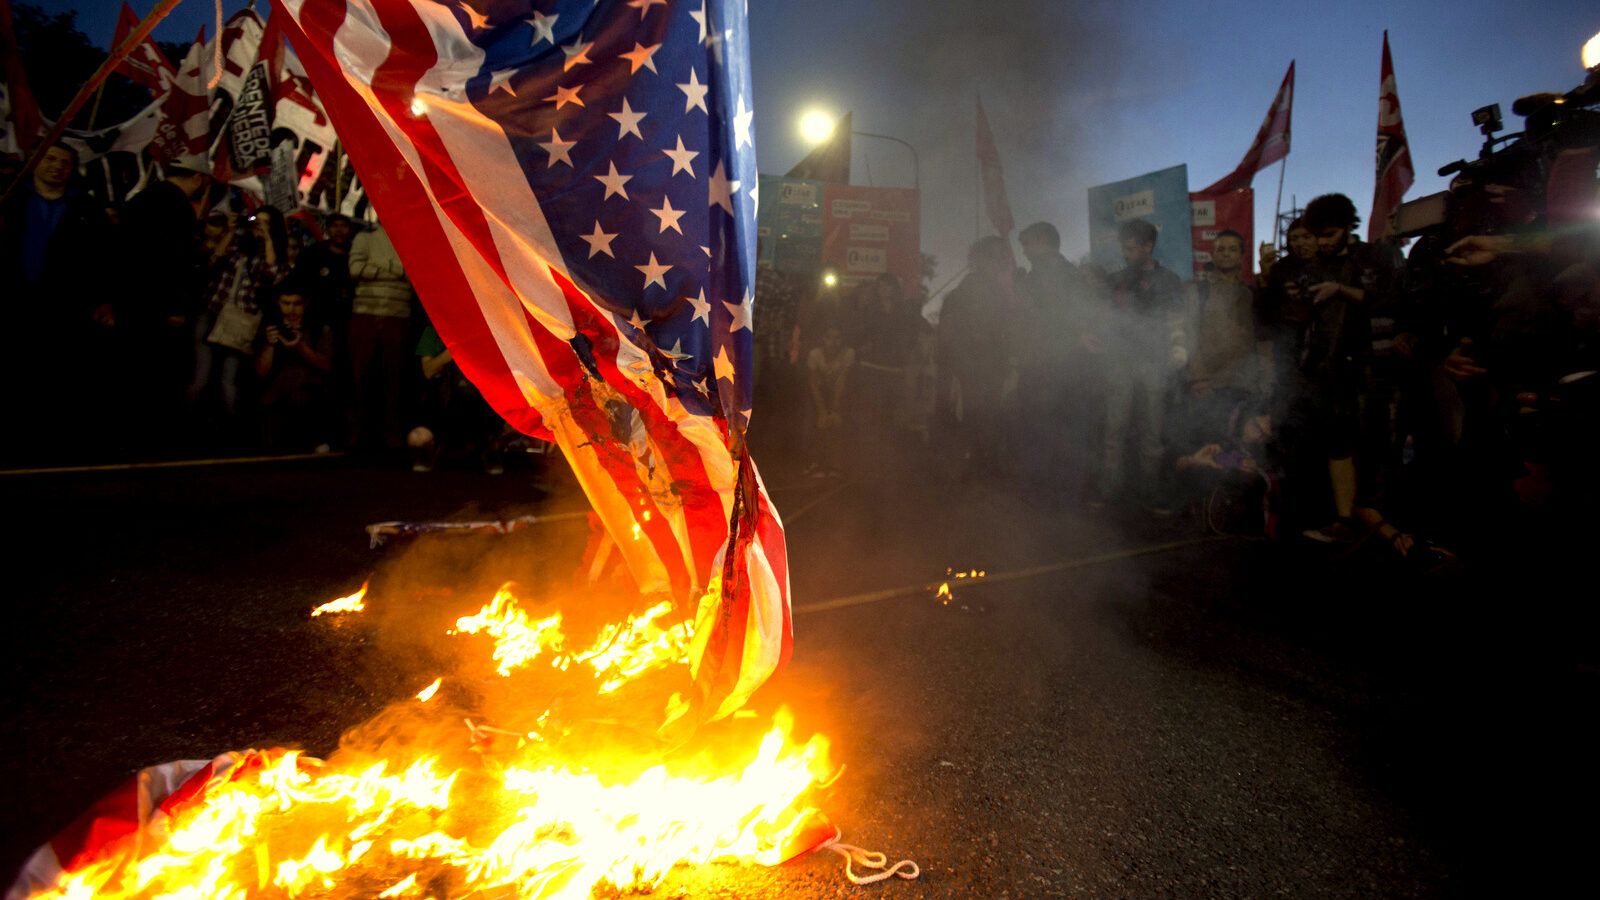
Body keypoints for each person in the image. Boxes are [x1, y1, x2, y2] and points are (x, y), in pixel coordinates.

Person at [1291, 193, 1402, 543]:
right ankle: (1345, 519)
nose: (1322, 242)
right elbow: (1303, 321)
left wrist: (1341, 290)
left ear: (1348, 227)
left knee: (1376, 441)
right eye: (1317, 235)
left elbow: (1394, 300)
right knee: (1337, 443)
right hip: (1327, 368)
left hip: (1375, 365)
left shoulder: (1376, 257)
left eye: (1330, 234)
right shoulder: (1311, 268)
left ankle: (1383, 520)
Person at [0, 142, 115, 459]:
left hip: (65, 314)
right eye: (49, 158)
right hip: (13, 309)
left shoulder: (86, 209)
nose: (56, 166)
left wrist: (103, 300)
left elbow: (104, 259)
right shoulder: (10, 200)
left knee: (58, 385)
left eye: (64, 161)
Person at [1096, 218, 1185, 510]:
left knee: (1152, 431)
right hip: (1120, 364)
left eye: (1131, 248)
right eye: (1123, 247)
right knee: (1114, 430)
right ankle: (1109, 492)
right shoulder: (1115, 279)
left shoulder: (1168, 279)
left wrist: (1179, 347)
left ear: (1148, 246)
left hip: (1154, 364)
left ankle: (1152, 492)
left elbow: (1176, 318)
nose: (1125, 253)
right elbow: (1105, 318)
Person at [185, 207, 288, 446]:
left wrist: (268, 238)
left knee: (227, 381)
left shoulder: (270, 254)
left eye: (265, 223)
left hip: (239, 322)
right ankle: (185, 427)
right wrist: (231, 232)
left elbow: (274, 274)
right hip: (211, 312)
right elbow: (212, 260)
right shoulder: (237, 244)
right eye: (256, 222)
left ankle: (229, 438)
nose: (257, 226)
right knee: (200, 377)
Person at [1016, 221, 1096, 505]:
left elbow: (1046, 320)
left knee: (1047, 430)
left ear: (1044, 242)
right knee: (1061, 431)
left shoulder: (1051, 275)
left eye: (1027, 244)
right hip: (1058, 366)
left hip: (1054, 367)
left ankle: (1047, 499)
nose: (1024, 251)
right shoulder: (1059, 274)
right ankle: (1062, 498)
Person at [1182, 229, 1273, 446]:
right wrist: (1197, 377)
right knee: (1210, 444)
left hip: (1246, 383)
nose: (1226, 254)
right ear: (1212, 255)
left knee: (1243, 444)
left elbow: (1262, 340)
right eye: (1220, 249)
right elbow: (1189, 335)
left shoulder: (1251, 294)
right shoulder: (1198, 292)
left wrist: (1267, 379)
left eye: (1232, 249)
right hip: (1210, 384)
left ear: (1241, 256)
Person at [937, 236, 1016, 479]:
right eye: (996, 256)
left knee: (985, 412)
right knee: (978, 412)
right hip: (975, 364)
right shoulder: (973, 290)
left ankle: (982, 460)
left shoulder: (997, 289)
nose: (1002, 261)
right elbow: (949, 332)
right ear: (982, 259)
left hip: (987, 363)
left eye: (1002, 255)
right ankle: (979, 461)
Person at [408, 321, 510, 473]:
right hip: (445, 403)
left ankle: (490, 447)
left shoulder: (485, 329)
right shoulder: (433, 330)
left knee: (510, 425)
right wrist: (455, 350)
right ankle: (429, 447)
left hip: (477, 404)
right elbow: (428, 370)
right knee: (416, 437)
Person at [347, 221, 414, 451]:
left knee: (393, 378)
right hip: (365, 314)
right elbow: (355, 269)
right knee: (360, 376)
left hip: (396, 315)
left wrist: (376, 265)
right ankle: (359, 432)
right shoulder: (364, 238)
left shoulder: (409, 240)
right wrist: (395, 269)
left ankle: (391, 432)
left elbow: (413, 272)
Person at [254, 281, 333, 452]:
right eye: (286, 303)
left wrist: (299, 345)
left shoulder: (318, 328)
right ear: (278, 304)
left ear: (305, 304)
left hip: (311, 399)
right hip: (277, 400)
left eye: (296, 304)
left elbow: (326, 364)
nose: (291, 310)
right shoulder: (269, 329)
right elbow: (261, 371)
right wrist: (271, 344)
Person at [805, 323, 854, 477]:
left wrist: (835, 411)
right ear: (822, 339)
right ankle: (814, 462)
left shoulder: (848, 354)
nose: (833, 342)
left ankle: (836, 464)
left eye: (837, 338)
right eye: (829, 338)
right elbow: (813, 384)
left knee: (837, 422)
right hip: (819, 396)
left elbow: (843, 383)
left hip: (841, 397)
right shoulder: (815, 355)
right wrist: (822, 412)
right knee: (817, 422)